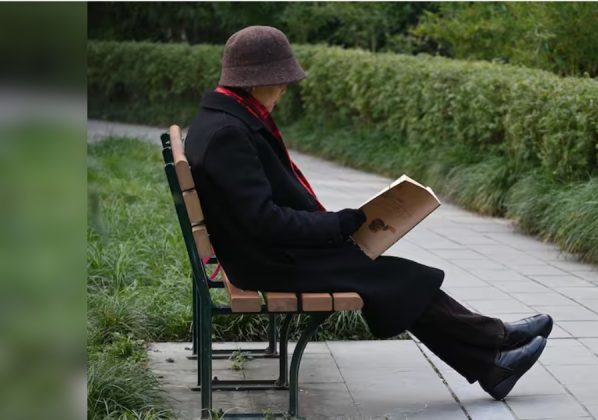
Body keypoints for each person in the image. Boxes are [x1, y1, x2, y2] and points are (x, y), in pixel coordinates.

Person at [184, 26, 552, 400]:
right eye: (280, 82)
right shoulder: (230, 132)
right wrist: (338, 224)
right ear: (255, 81)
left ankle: (493, 359)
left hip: (264, 253)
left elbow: (258, 216)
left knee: (397, 277)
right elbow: (265, 221)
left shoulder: (225, 120)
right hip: (268, 261)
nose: (283, 90)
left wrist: (343, 224)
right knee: (398, 278)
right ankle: (496, 345)